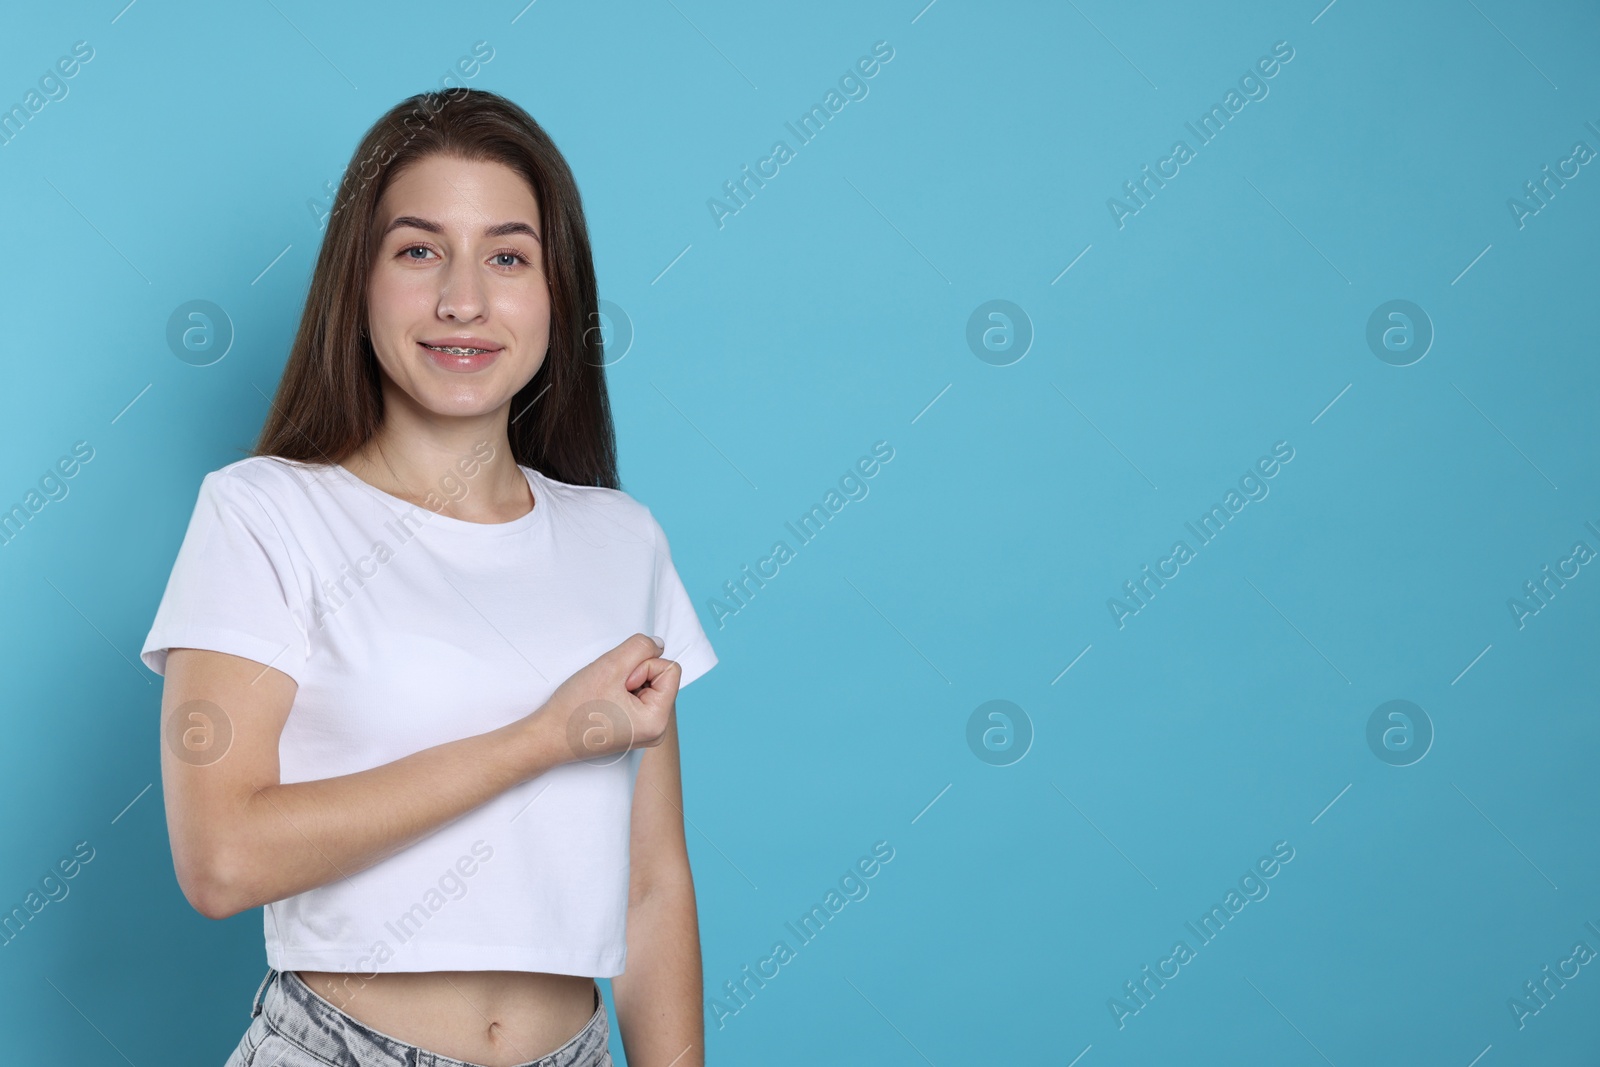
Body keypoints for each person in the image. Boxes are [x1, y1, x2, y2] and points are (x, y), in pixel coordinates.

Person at [140, 88, 717, 1067]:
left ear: (555, 294)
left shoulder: (623, 541)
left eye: (507, 255)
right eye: (418, 250)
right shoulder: (265, 513)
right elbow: (222, 858)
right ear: (356, 283)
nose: (464, 299)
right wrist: (540, 737)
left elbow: (650, 886)